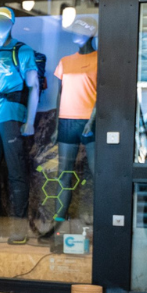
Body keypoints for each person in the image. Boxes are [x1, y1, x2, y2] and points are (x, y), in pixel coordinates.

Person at [0, 7, 41, 244]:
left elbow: (34, 87)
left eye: (3, 21)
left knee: (16, 174)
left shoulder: (22, 51)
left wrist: (30, 121)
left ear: (12, 23)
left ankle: (19, 229)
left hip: (12, 117)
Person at [41, 16, 98, 252]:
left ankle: (98, 224)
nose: (74, 34)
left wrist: (92, 121)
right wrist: (55, 127)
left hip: (89, 122)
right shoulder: (65, 61)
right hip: (66, 122)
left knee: (96, 175)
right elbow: (60, 94)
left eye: (78, 30)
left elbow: (101, 94)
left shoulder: (99, 60)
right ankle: (57, 225)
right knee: (64, 175)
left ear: (90, 33)